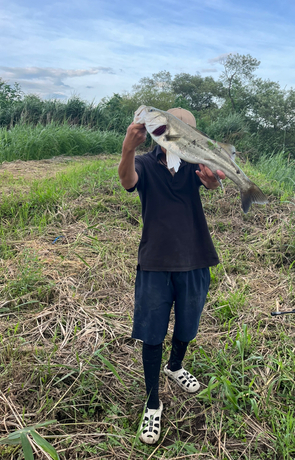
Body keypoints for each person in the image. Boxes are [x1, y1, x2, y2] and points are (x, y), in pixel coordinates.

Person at [118, 107, 225, 445]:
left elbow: (213, 180)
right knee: (151, 333)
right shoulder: (146, 163)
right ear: (161, 133)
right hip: (155, 259)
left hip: (196, 256)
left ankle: (175, 365)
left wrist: (215, 182)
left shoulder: (195, 165)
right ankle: (152, 402)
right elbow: (127, 181)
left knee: (188, 324)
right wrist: (128, 148)